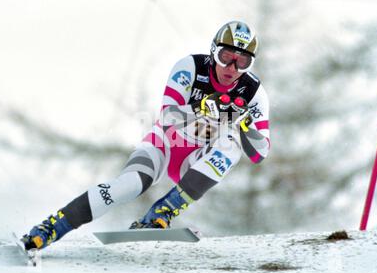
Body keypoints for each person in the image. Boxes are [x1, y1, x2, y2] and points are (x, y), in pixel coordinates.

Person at [20, 20, 270, 251]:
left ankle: (163, 211)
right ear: (213, 51)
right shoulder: (191, 66)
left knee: (233, 144)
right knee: (127, 187)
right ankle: (51, 227)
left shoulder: (254, 93)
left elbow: (260, 154)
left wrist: (244, 123)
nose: (232, 67)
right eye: (225, 57)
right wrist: (201, 107)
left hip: (195, 160)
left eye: (242, 62)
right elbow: (168, 116)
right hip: (164, 145)